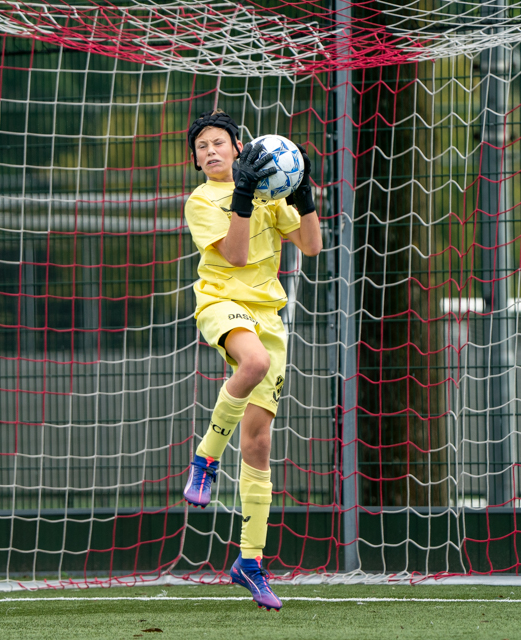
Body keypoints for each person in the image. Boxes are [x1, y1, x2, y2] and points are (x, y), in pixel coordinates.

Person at [182, 109, 323, 611]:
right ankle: (205, 460)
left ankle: (250, 562)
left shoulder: (271, 193)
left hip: (269, 314)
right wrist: (242, 197)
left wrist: (303, 192)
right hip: (221, 300)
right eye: (202, 147)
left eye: (219, 142)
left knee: (259, 443)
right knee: (254, 364)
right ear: (197, 161)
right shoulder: (202, 201)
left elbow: (310, 245)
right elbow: (237, 257)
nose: (211, 151)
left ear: (240, 148)